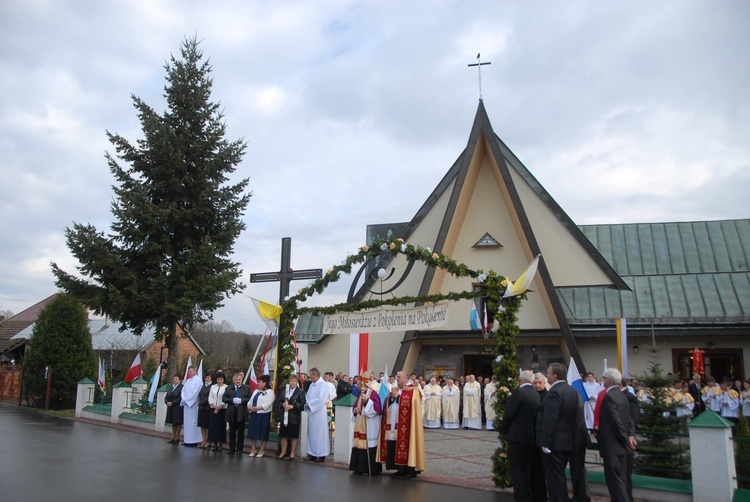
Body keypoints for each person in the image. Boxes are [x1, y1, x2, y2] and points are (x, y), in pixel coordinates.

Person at [536, 363, 589, 502]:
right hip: (569, 440)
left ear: (554, 376)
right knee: (560, 474)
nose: (546, 375)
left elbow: (550, 418)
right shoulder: (572, 391)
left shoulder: (554, 393)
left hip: (555, 442)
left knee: (555, 476)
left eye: (548, 373)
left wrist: (545, 441)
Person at [502, 370, 545, 502]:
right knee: (529, 468)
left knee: (519, 470)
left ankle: (522, 497)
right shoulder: (536, 394)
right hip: (531, 437)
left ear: (520, 379)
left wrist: (504, 429)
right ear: (532, 381)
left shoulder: (519, 392)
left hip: (517, 437)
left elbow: (510, 413)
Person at [377, 371, 426, 478]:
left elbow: (411, 406)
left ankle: (409, 470)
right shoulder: (397, 389)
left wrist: (397, 397)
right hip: (394, 423)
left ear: (405, 378)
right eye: (396, 377)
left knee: (408, 444)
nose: (396, 379)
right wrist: (392, 397)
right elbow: (387, 402)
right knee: (395, 445)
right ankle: (399, 469)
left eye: (398, 377)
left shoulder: (413, 390)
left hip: (407, 425)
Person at [597, 368, 636, 502]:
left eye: (603, 378)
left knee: (615, 481)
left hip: (612, 445)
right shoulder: (621, 395)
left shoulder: (609, 396)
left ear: (608, 380)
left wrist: (626, 439)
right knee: (622, 478)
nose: (602, 381)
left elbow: (616, 422)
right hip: (621, 446)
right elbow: (629, 419)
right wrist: (630, 436)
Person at [349, 377, 383, 476]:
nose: (357, 386)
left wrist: (368, 401)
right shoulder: (361, 394)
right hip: (360, 423)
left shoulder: (373, 394)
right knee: (359, 444)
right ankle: (359, 468)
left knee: (369, 445)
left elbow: (376, 409)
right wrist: (356, 410)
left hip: (370, 424)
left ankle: (371, 469)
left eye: (359, 384)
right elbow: (356, 406)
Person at [276, 373, 306, 460]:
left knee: (293, 435)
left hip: (294, 417)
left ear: (297, 382)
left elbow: (302, 404)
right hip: (284, 416)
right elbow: (279, 401)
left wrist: (292, 406)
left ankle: (292, 452)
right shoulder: (285, 391)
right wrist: (283, 404)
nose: (292, 383)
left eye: (294, 381)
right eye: (291, 381)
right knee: (283, 435)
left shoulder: (300, 392)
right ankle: (283, 451)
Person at [620, 378, 640, 502]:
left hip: (627, 439)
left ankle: (627, 497)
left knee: (626, 471)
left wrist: (630, 435)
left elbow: (633, 418)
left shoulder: (630, 397)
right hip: (618, 439)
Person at [305, 367, 331, 462]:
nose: (310, 377)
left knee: (320, 434)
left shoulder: (324, 385)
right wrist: (308, 403)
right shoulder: (312, 384)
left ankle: (321, 454)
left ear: (315, 375)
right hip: (312, 413)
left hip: (319, 413)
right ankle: (312, 453)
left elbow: (321, 399)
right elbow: (308, 396)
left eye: (311, 375)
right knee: (312, 434)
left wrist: (311, 404)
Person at [223, 372, 251, 456]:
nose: (238, 381)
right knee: (232, 432)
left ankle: (239, 449)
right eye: (236, 380)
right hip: (232, 412)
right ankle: (231, 449)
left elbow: (250, 398)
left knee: (240, 433)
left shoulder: (246, 388)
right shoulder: (228, 388)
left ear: (242, 380)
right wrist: (232, 400)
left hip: (241, 412)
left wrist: (241, 400)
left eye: (239, 380)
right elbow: (224, 398)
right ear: (233, 381)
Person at [246, 374, 275, 457]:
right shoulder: (256, 391)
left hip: (263, 415)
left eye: (260, 382)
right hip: (254, 414)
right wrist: (249, 407)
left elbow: (269, 403)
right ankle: (253, 449)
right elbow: (250, 400)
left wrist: (258, 408)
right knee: (253, 432)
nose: (258, 384)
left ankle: (262, 450)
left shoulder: (270, 392)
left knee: (263, 432)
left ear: (265, 383)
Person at [180, 365, 202, 447]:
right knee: (187, 423)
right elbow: (183, 391)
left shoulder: (198, 381)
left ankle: (193, 440)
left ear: (195, 371)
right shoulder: (188, 381)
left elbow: (195, 393)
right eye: (188, 371)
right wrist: (184, 398)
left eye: (190, 371)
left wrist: (188, 400)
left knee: (193, 423)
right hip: (186, 404)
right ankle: (187, 440)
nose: (189, 373)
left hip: (193, 405)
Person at [207, 372, 227, 452]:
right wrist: (214, 406)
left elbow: (226, 398)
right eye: (218, 379)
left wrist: (219, 407)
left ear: (223, 380)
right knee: (213, 427)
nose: (219, 381)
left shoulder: (226, 387)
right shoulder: (213, 387)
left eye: (221, 379)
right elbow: (210, 398)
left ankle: (220, 445)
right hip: (213, 409)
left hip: (222, 410)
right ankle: (214, 444)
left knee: (221, 427)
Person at [165, 373, 183, 444]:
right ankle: (173, 436)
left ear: (180, 380)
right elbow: (167, 396)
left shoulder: (181, 387)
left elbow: (180, 398)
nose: (174, 380)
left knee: (177, 422)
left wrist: (173, 402)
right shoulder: (171, 387)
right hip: (171, 408)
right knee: (173, 422)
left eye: (176, 379)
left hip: (177, 408)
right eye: (174, 378)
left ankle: (177, 437)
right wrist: (167, 402)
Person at [197, 372, 214, 449]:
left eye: (208, 377)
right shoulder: (203, 386)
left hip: (207, 408)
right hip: (201, 408)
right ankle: (203, 440)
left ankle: (208, 441)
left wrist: (201, 403)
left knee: (207, 426)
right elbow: (200, 395)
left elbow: (209, 397)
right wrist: (199, 402)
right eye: (206, 377)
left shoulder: (212, 387)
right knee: (202, 425)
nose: (206, 379)